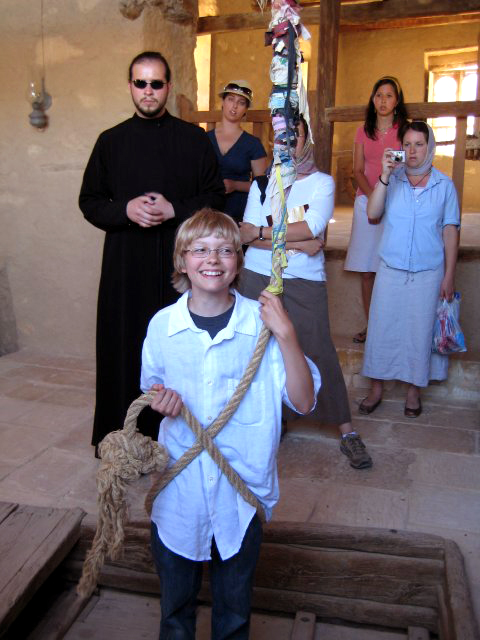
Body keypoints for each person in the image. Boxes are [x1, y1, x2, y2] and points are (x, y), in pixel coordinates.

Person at [141, 208, 320, 639]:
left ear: (238, 262)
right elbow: (152, 387)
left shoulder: (262, 325)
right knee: (175, 609)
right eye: (200, 250)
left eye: (224, 250)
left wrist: (287, 334)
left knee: (235, 612)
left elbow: (303, 400)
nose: (212, 259)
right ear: (182, 261)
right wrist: (161, 403)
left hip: (241, 493)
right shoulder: (162, 326)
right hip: (180, 491)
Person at [79, 51, 225, 454]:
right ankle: (121, 438)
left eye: (156, 83)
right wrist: (125, 210)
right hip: (124, 268)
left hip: (178, 269)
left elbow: (215, 197)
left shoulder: (194, 139)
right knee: (124, 348)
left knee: (177, 349)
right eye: (140, 83)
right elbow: (90, 201)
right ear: (130, 86)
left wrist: (175, 209)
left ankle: (179, 442)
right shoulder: (110, 141)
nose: (148, 91)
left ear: (168, 87)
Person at [239, 116, 373, 470]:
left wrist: (264, 233)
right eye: (281, 136)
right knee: (257, 349)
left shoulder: (322, 183)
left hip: (303, 279)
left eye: (294, 136)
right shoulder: (262, 182)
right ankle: (275, 419)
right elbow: (246, 235)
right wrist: (299, 242)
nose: (287, 143)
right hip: (257, 275)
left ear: (306, 140)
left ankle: (346, 430)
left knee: (317, 348)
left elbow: (311, 226)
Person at [360, 121, 460, 417]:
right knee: (381, 329)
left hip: (429, 271)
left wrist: (449, 275)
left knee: (420, 331)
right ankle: (376, 388)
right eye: (407, 144)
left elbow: (450, 231)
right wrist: (384, 175)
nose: (413, 151)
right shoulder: (393, 180)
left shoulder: (444, 185)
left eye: (419, 144)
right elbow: (372, 213)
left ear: (430, 147)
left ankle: (414, 391)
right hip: (391, 268)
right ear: (400, 147)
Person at [344, 76, 408, 344]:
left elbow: (409, 166)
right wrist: (374, 198)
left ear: (397, 101)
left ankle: (392, 327)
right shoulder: (363, 131)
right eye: (379, 95)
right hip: (367, 201)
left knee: (392, 267)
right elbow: (358, 170)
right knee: (368, 270)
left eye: (389, 96)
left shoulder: (405, 131)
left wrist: (386, 200)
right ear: (372, 100)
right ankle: (372, 326)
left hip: (399, 203)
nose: (383, 100)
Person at [207, 80, 268, 223]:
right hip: (208, 211)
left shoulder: (253, 144)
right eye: (230, 99)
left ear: (246, 109)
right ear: (222, 102)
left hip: (239, 212)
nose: (234, 106)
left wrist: (235, 185)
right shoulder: (204, 139)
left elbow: (262, 186)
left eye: (241, 103)